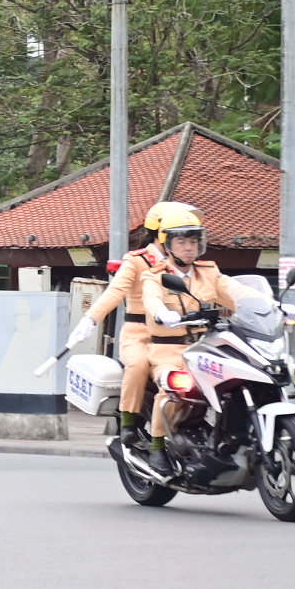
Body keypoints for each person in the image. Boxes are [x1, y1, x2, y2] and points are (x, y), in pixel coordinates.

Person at [63, 202, 181, 450]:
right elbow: (115, 292)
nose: (185, 240)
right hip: (138, 334)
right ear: (160, 233)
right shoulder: (137, 261)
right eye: (177, 233)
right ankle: (129, 424)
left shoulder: (185, 263)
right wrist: (91, 318)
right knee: (137, 365)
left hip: (174, 338)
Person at [140, 210, 240, 479]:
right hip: (167, 350)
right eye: (182, 242)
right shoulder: (155, 275)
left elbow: (234, 291)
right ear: (168, 244)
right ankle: (157, 446)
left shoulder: (210, 271)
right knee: (173, 385)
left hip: (207, 345)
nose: (189, 247)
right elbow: (151, 298)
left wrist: (273, 306)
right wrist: (162, 312)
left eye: (194, 242)